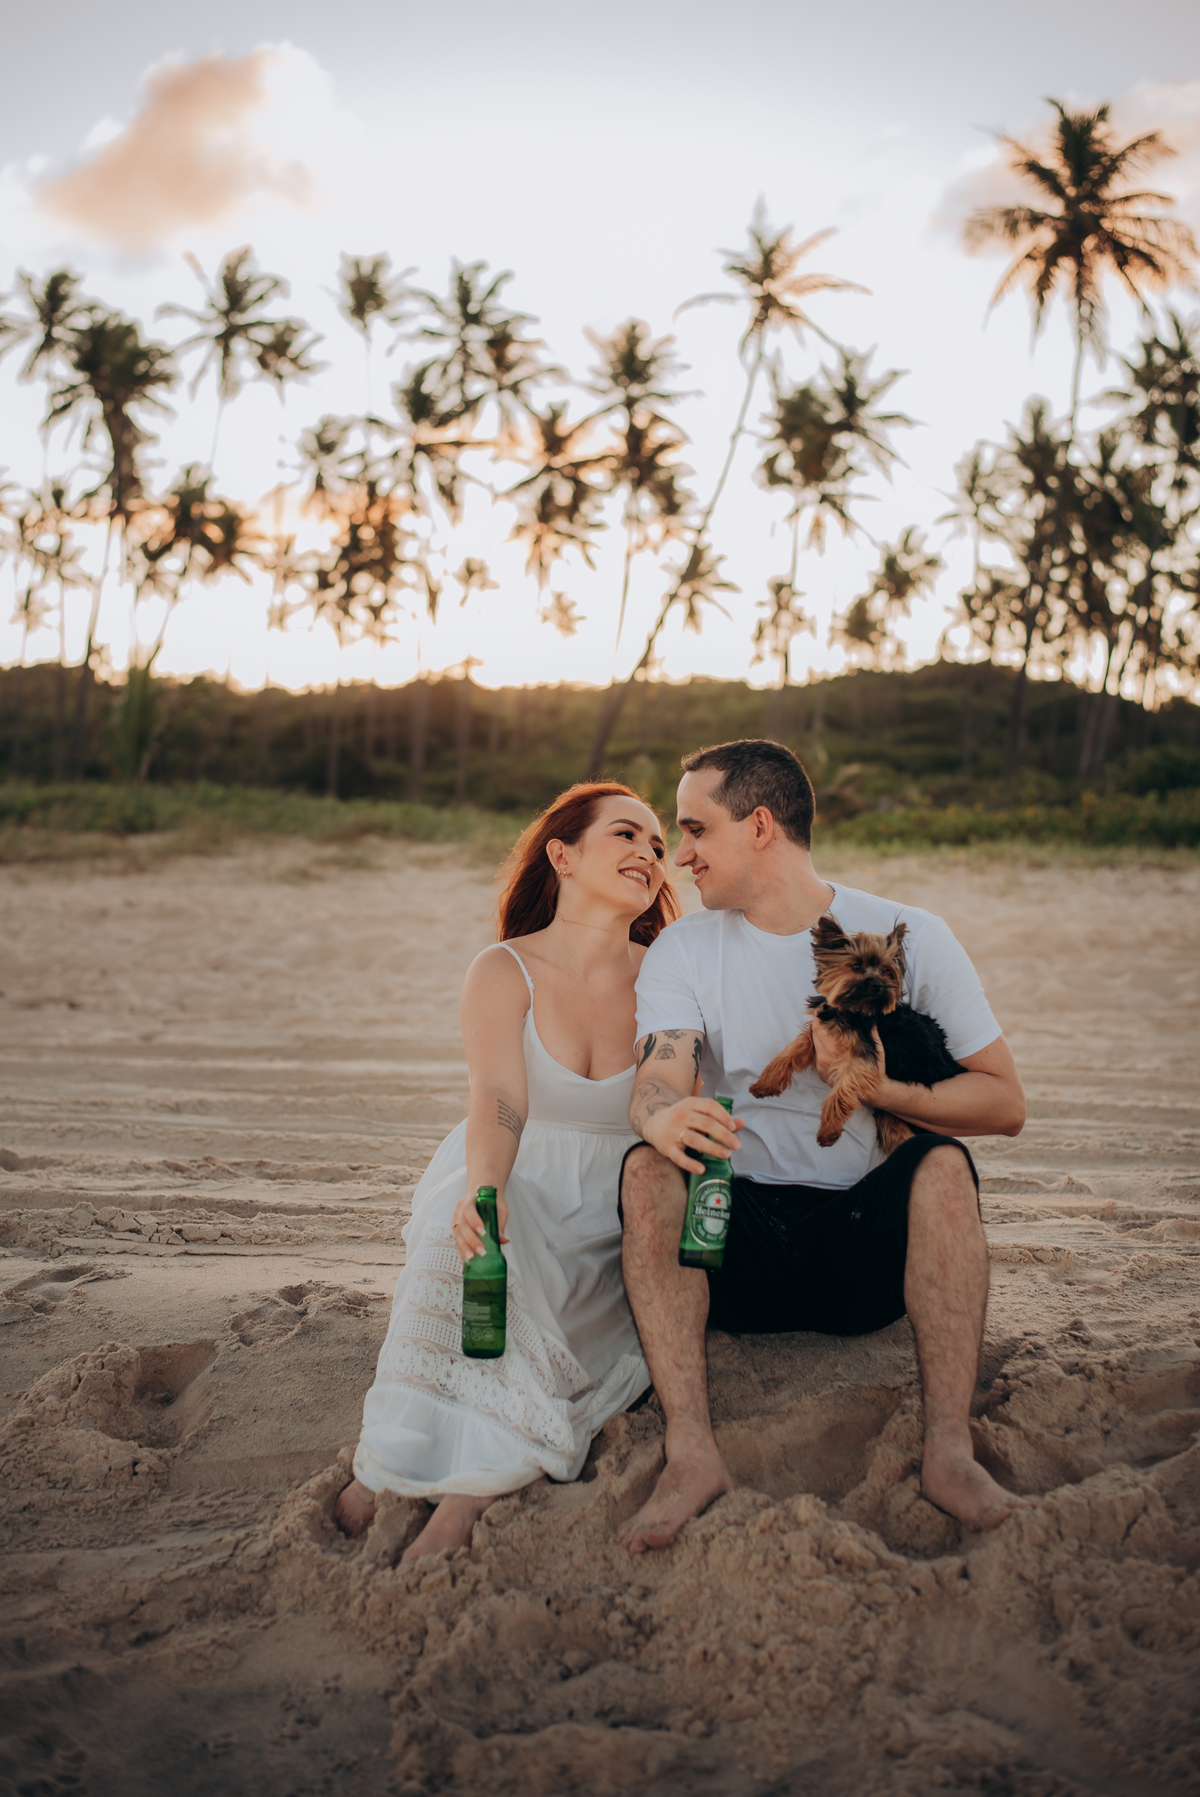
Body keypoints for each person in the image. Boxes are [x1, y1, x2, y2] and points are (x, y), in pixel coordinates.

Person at [616, 739, 1027, 1555]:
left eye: (695, 828)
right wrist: (660, 1116)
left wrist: (876, 1088)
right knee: (645, 1167)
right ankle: (690, 1453)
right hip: (735, 1243)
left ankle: (949, 1452)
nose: (681, 853)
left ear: (759, 824)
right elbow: (661, 1073)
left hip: (862, 1253)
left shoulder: (912, 937)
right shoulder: (685, 948)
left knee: (943, 1163)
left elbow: (1004, 1100)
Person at [335, 782, 681, 1560]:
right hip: (512, 1158)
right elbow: (497, 1096)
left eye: (659, 846)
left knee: (536, 1273)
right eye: (627, 834)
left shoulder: (667, 972)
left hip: (615, 1198)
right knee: (475, 1227)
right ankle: (394, 1449)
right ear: (563, 855)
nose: (649, 855)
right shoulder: (504, 967)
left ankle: (469, 1490)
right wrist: (483, 1189)